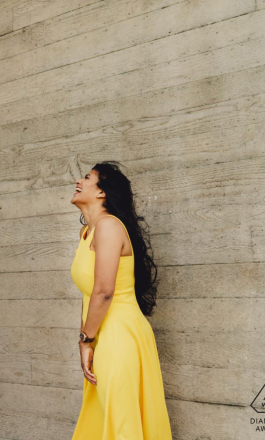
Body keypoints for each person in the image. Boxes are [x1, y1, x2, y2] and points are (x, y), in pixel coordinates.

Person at [70, 161, 173, 439]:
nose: (78, 181)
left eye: (87, 177)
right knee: (103, 419)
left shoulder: (108, 227)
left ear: (102, 192)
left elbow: (104, 291)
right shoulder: (87, 233)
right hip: (103, 336)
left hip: (120, 336)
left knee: (122, 423)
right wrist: (87, 342)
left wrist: (85, 340)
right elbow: (89, 295)